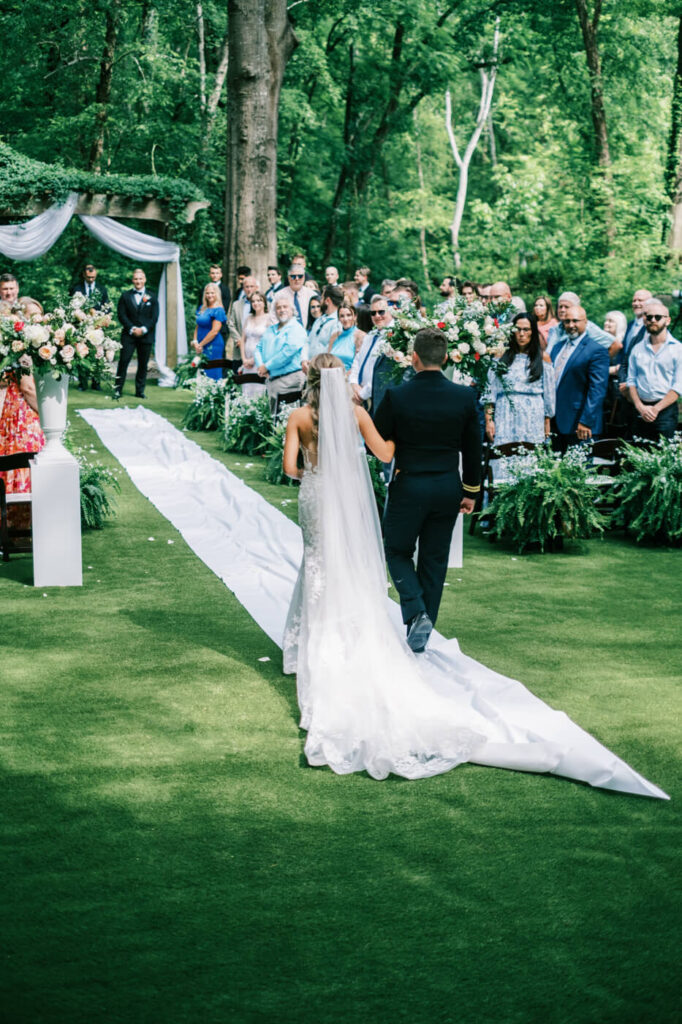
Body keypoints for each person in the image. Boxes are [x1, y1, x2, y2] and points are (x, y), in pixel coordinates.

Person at [278, 355, 666, 795]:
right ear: (340, 379)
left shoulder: (296, 416)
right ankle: (353, 637)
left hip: (316, 495)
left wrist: (317, 465)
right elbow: (385, 452)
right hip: (350, 500)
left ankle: (307, 647)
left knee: (318, 565)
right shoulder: (358, 413)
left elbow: (291, 469)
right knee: (348, 563)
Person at [374, 327, 481, 652]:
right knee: (435, 561)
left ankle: (416, 609)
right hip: (448, 486)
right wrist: (471, 491)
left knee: (396, 550)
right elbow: (473, 449)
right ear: (446, 357)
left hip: (410, 485)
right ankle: (423, 627)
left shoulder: (397, 395)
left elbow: (378, 441)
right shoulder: (464, 396)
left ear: (414, 358)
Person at [483, 313, 555, 477]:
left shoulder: (542, 358)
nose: (521, 334)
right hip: (505, 413)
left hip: (532, 416)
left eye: (526, 330)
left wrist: (547, 422)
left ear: (532, 332)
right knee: (504, 455)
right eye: (518, 330)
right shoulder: (501, 357)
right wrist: (489, 420)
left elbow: (549, 394)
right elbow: (490, 391)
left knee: (530, 459)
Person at [549, 304, 609, 451]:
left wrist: (586, 421)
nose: (571, 325)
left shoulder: (596, 350)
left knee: (580, 471)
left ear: (585, 322)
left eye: (575, 321)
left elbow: (597, 390)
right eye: (567, 321)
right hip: (555, 421)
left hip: (580, 423)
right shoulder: (558, 347)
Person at [627, 299, 682, 440]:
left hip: (666, 412)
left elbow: (678, 386)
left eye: (657, 317)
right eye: (648, 317)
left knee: (663, 458)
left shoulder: (678, 350)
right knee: (637, 457)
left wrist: (655, 409)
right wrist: (640, 407)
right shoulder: (637, 348)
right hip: (640, 410)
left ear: (668, 320)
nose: (652, 320)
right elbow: (631, 381)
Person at [254, 295, 306, 413]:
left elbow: (287, 354)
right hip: (271, 378)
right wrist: (261, 366)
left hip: (290, 380)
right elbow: (258, 348)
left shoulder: (296, 329)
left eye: (285, 307)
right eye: (278, 308)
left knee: (285, 419)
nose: (282, 310)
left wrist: (266, 366)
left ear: (292, 310)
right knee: (272, 420)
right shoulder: (270, 329)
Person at [0, 369, 44, 502]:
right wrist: (47, 413)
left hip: (15, 407)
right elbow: (27, 388)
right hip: (24, 413)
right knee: (25, 459)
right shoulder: (23, 352)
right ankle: (21, 513)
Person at [115, 268, 160, 399]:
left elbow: (154, 317)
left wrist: (144, 329)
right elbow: (121, 315)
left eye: (140, 278)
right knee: (123, 362)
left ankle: (140, 391)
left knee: (143, 364)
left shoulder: (152, 296)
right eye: (136, 279)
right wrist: (132, 328)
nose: (138, 281)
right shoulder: (125, 296)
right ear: (133, 280)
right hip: (129, 335)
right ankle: (117, 390)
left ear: (144, 279)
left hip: (146, 336)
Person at [348, 294, 394, 406]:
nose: (377, 316)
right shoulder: (370, 335)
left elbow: (383, 373)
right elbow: (357, 360)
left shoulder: (395, 337)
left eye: (381, 312)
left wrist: (362, 394)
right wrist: (354, 383)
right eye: (373, 313)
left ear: (390, 311)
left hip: (377, 397)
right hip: (358, 393)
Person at [237, 291, 269, 399]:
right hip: (247, 362)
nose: (256, 303)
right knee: (247, 389)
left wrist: (253, 360)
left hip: (260, 361)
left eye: (259, 300)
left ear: (264, 302)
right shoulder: (248, 318)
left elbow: (268, 342)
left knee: (258, 390)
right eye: (253, 301)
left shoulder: (269, 319)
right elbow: (243, 339)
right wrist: (244, 359)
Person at [191, 284, 227, 379]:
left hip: (213, 345)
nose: (210, 295)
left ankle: (214, 393)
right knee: (201, 371)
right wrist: (195, 341)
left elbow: (214, 331)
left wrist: (201, 345)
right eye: (207, 293)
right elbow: (198, 326)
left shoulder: (218, 310)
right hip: (201, 345)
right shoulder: (202, 308)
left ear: (217, 294)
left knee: (212, 372)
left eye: (212, 293)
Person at [228, 275, 259, 370]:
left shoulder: (264, 304)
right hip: (239, 347)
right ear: (243, 288)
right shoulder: (236, 305)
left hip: (257, 348)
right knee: (238, 377)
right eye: (247, 287)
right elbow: (230, 323)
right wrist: (238, 339)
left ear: (256, 288)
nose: (249, 289)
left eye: (251, 286)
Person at [327, 302, 364, 370]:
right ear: (338, 318)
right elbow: (328, 360)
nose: (345, 319)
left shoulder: (360, 336)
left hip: (349, 377)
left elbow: (359, 364)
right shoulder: (334, 336)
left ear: (355, 317)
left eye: (349, 315)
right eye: (342, 316)